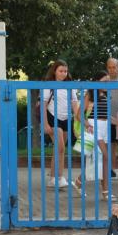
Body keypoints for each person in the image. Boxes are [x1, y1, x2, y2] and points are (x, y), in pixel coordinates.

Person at [42, 60, 80, 189]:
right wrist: (45, 124)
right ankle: (60, 177)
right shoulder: (49, 85)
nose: (64, 73)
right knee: (61, 147)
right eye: (61, 71)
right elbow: (43, 104)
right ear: (54, 71)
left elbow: (75, 104)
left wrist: (78, 120)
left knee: (58, 150)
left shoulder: (70, 85)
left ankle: (53, 179)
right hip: (53, 117)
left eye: (65, 71)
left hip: (66, 119)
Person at [75, 71, 111, 197]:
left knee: (99, 159)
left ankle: (79, 182)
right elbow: (79, 114)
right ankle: (105, 191)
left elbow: (107, 116)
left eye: (108, 81)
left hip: (105, 127)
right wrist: (88, 125)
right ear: (96, 81)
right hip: (94, 126)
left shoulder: (106, 95)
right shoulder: (90, 94)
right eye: (104, 81)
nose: (106, 83)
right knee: (105, 157)